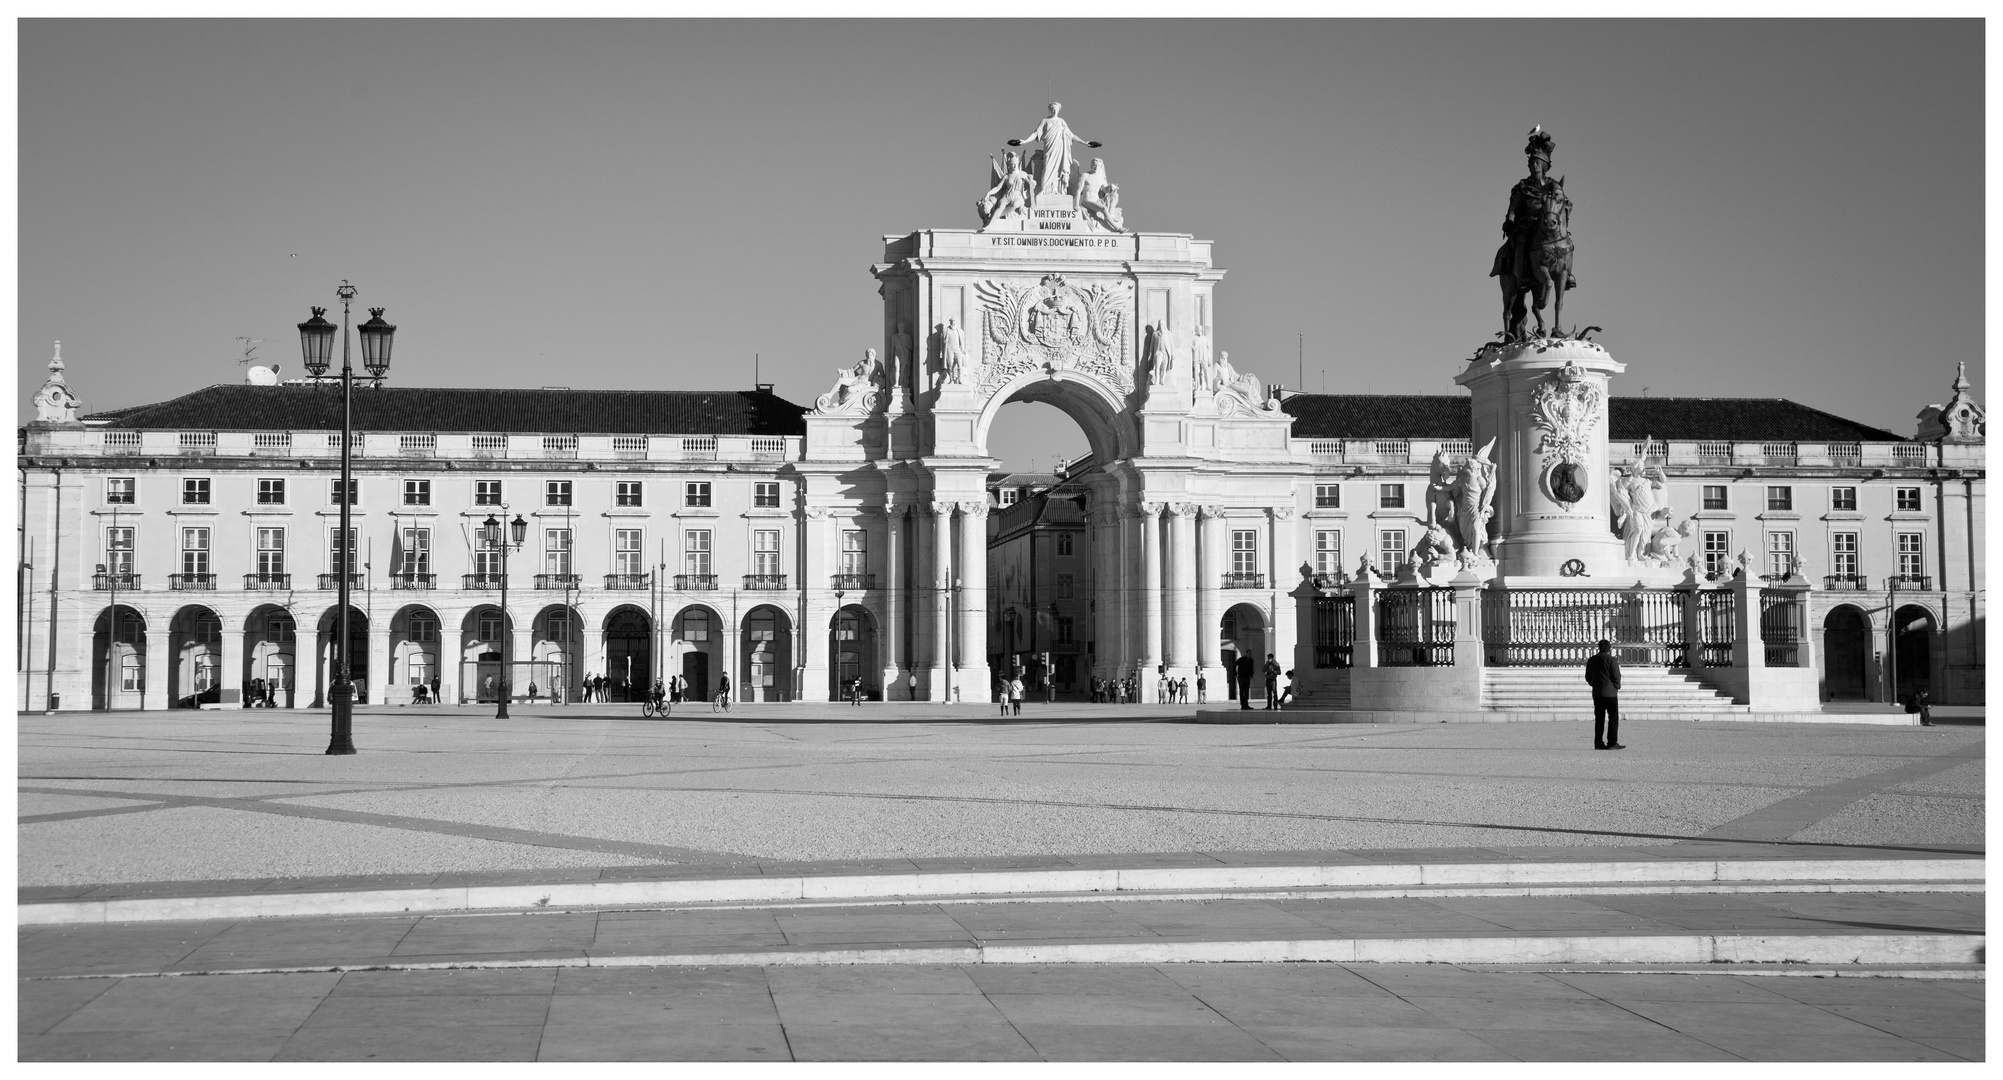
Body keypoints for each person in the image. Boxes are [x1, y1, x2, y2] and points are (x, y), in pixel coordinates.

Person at [1585, 638, 1624, 749]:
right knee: (1613, 718)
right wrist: (1617, 686)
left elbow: (1588, 677)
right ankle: (1612, 742)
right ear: (1608, 648)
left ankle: (1598, 742)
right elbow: (1616, 676)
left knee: (1599, 719)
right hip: (1610, 693)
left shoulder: (1591, 660)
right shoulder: (1611, 660)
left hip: (1597, 693)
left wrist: (1594, 684)